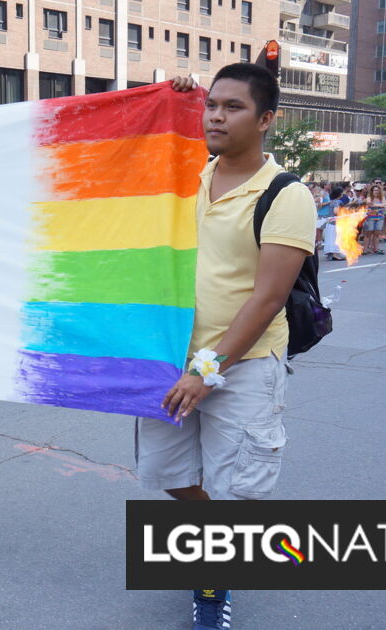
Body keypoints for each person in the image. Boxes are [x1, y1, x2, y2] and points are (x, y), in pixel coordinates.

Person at [162, 65, 315, 630]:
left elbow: (269, 296)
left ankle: (211, 584)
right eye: (211, 105)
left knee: (237, 492)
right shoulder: (191, 175)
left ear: (267, 118)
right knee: (171, 474)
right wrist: (173, 100)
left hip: (242, 364)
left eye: (233, 107)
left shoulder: (287, 194)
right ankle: (218, 543)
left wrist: (207, 369)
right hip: (170, 357)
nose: (216, 116)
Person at [363, 184, 386, 255]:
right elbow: (369, 204)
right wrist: (380, 205)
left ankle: (375, 249)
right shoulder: (369, 198)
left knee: (377, 234)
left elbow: (384, 205)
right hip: (370, 218)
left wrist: (375, 205)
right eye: (374, 190)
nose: (376, 191)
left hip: (379, 218)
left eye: (377, 190)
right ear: (372, 191)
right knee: (368, 234)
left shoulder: (382, 198)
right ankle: (365, 250)